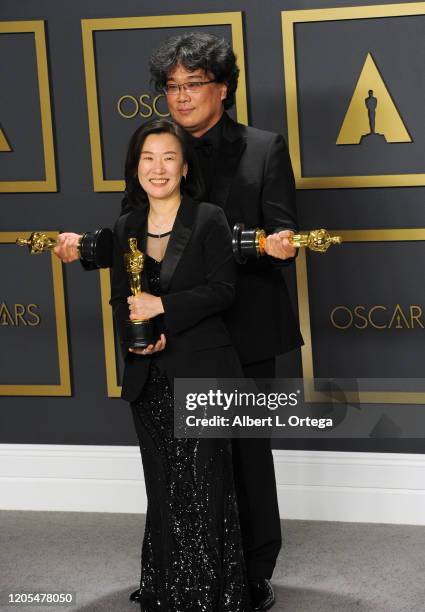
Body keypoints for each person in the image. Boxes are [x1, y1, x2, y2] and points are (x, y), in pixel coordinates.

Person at [54, 32, 303, 611]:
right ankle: (182, 570)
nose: (182, 96)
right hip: (170, 333)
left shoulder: (264, 148)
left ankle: (253, 571)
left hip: (242, 327)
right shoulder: (153, 148)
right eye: (172, 86)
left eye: (194, 84)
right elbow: (132, 233)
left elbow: (279, 233)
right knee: (173, 458)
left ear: (223, 88)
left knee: (243, 452)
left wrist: (254, 244)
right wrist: (88, 248)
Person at [111, 117, 250, 611]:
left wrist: (162, 308)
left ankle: (210, 592)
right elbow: (120, 302)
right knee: (163, 481)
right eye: (148, 158)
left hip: (203, 372)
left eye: (169, 157)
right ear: (135, 168)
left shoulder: (208, 217)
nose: (158, 168)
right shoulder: (126, 225)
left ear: (185, 166)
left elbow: (223, 290)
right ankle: (166, 583)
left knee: (207, 482)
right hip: (148, 377)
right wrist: (136, 342)